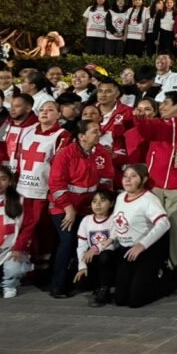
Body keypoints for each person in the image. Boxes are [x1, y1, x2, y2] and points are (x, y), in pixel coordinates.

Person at [48, 117, 114, 297]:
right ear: (82, 136)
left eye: (99, 130)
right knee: (68, 242)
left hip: (88, 208)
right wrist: (68, 209)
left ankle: (83, 281)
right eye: (94, 131)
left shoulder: (101, 152)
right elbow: (56, 184)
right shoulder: (65, 154)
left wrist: (103, 204)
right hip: (63, 207)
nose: (99, 133)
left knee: (85, 243)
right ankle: (58, 286)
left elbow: (106, 179)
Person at [13, 100, 71, 282]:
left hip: (42, 191)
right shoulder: (29, 131)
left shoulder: (62, 135)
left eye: (50, 110)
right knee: (22, 226)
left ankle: (41, 272)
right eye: (42, 110)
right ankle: (22, 268)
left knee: (40, 228)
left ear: (59, 114)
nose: (45, 113)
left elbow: (59, 165)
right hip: (22, 189)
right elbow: (19, 158)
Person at [110, 164, 174, 308]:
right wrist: (110, 239)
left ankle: (170, 279)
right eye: (125, 176)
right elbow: (117, 222)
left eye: (133, 176)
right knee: (120, 300)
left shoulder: (149, 199)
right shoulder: (120, 197)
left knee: (136, 301)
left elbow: (164, 223)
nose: (127, 180)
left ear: (143, 179)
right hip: (126, 251)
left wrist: (142, 244)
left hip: (146, 251)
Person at [73, 188, 116, 306]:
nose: (97, 204)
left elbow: (114, 242)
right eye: (94, 201)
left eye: (102, 200)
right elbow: (81, 246)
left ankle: (104, 289)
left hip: (111, 258)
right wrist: (82, 267)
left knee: (105, 256)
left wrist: (96, 248)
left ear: (111, 203)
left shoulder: (114, 219)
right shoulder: (86, 220)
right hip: (93, 261)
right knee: (80, 283)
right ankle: (97, 286)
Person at [0, 165, 28, 299]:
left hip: (10, 248)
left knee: (14, 267)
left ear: (10, 181)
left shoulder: (19, 200)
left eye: (3, 179)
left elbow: (26, 227)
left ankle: (9, 285)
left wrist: (18, 247)